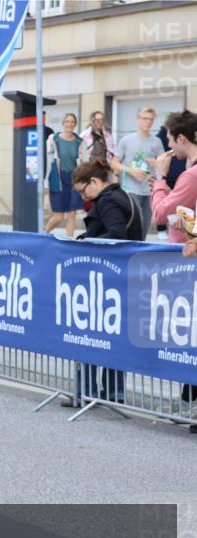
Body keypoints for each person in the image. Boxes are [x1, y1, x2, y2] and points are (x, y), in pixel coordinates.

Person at [64, 159, 140, 408]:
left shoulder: (107, 201)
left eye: (82, 191)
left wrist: (86, 243)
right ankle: (111, 392)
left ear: (94, 182)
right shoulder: (123, 196)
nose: (83, 197)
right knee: (111, 335)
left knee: (89, 333)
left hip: (105, 278)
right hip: (122, 277)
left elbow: (116, 234)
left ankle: (86, 391)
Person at [111, 107, 164, 238]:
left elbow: (163, 166)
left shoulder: (156, 142)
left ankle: (138, 256)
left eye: (151, 119)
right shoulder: (126, 140)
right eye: (145, 118)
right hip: (130, 190)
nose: (148, 122)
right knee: (136, 226)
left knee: (144, 230)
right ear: (138, 119)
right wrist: (131, 170)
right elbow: (114, 163)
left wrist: (156, 164)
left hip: (149, 192)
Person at [152, 110, 197, 246]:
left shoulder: (191, 175)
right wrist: (172, 194)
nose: (169, 145)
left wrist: (160, 177)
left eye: (170, 140)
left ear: (181, 139)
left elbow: (159, 215)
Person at [44, 113, 85, 236]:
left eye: (72, 122)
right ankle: (44, 234)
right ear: (63, 123)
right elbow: (48, 162)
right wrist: (46, 182)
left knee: (72, 214)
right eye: (67, 121)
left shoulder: (79, 141)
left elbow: (84, 163)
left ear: (75, 124)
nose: (69, 124)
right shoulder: (54, 139)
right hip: (58, 179)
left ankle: (69, 243)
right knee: (58, 216)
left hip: (74, 179)